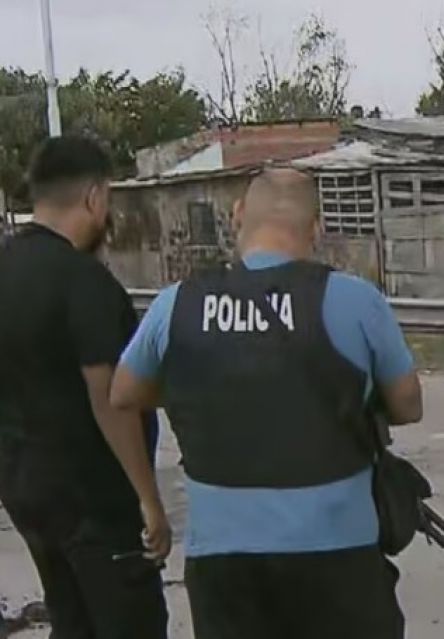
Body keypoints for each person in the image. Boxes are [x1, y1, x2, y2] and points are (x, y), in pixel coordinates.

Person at [110, 168, 421, 639]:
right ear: (315, 231)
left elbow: (124, 393)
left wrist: (203, 384)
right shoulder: (356, 301)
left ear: (237, 216)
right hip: (338, 553)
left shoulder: (177, 304)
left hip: (222, 561)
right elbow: (406, 405)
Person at [0, 137, 170, 637]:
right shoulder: (84, 282)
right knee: (129, 623)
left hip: (26, 490)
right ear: (95, 197)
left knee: (72, 620)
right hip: (95, 501)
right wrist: (148, 498)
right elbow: (109, 397)